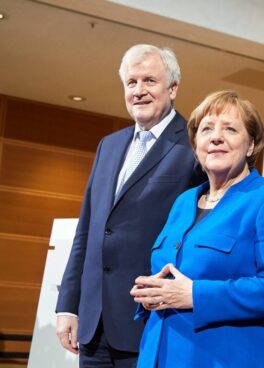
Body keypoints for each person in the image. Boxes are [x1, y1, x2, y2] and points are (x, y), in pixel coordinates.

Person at [55, 44, 205, 367]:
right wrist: (68, 304)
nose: (139, 91)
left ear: (173, 87)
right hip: (93, 327)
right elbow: (88, 231)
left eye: (149, 81)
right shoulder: (108, 146)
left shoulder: (195, 146)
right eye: (131, 82)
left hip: (152, 322)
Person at [129, 90, 264, 368]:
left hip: (224, 357)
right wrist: (152, 294)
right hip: (158, 354)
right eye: (206, 129)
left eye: (230, 128)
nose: (216, 137)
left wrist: (194, 294)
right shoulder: (184, 201)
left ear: (251, 145)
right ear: (196, 146)